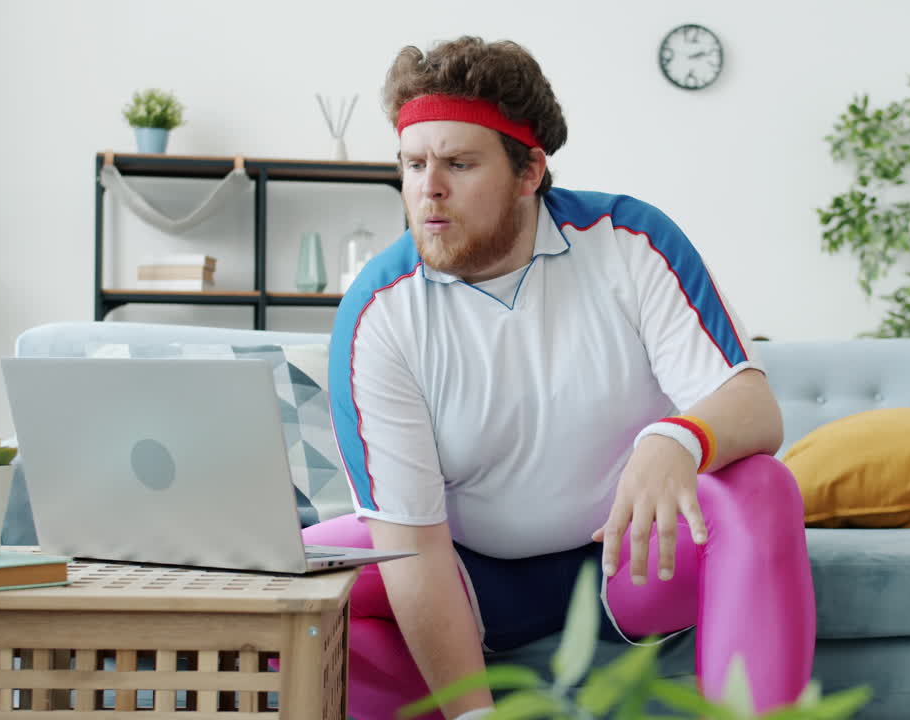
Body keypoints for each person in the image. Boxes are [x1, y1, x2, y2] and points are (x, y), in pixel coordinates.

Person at [303, 35, 815, 720]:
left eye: (459, 162)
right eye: (414, 163)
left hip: (631, 561)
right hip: (463, 569)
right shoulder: (378, 312)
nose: (429, 188)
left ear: (529, 171)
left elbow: (753, 407)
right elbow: (412, 547)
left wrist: (676, 439)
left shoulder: (630, 242)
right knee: (283, 578)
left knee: (759, 486)